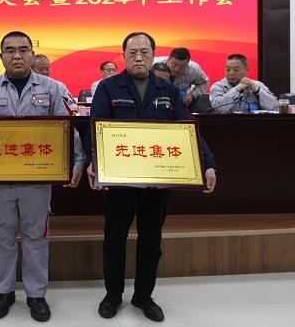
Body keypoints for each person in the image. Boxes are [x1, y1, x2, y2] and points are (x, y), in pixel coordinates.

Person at [0, 31, 86, 322]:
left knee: (35, 235)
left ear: (32, 54)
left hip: (37, 178)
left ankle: (36, 294)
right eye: (10, 50)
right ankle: (4, 291)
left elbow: (67, 127)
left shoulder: (52, 88)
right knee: (2, 234)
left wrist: (78, 161)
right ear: (1, 56)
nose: (17, 55)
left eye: (23, 50)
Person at [87, 32, 217, 323]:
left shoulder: (167, 89)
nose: (138, 58)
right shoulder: (109, 87)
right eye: (132, 52)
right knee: (114, 238)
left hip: (157, 180)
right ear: (124, 55)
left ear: (154, 55)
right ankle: (113, 294)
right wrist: (94, 161)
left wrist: (207, 163)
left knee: (151, 239)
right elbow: (94, 127)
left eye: (144, 52)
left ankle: (144, 296)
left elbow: (187, 128)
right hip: (120, 180)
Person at [209, 54, 278, 113]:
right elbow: (220, 109)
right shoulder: (217, 87)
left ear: (246, 70)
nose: (231, 73)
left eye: (236, 70)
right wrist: (236, 89)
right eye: (228, 69)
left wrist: (257, 90)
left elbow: (275, 108)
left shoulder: (257, 85)